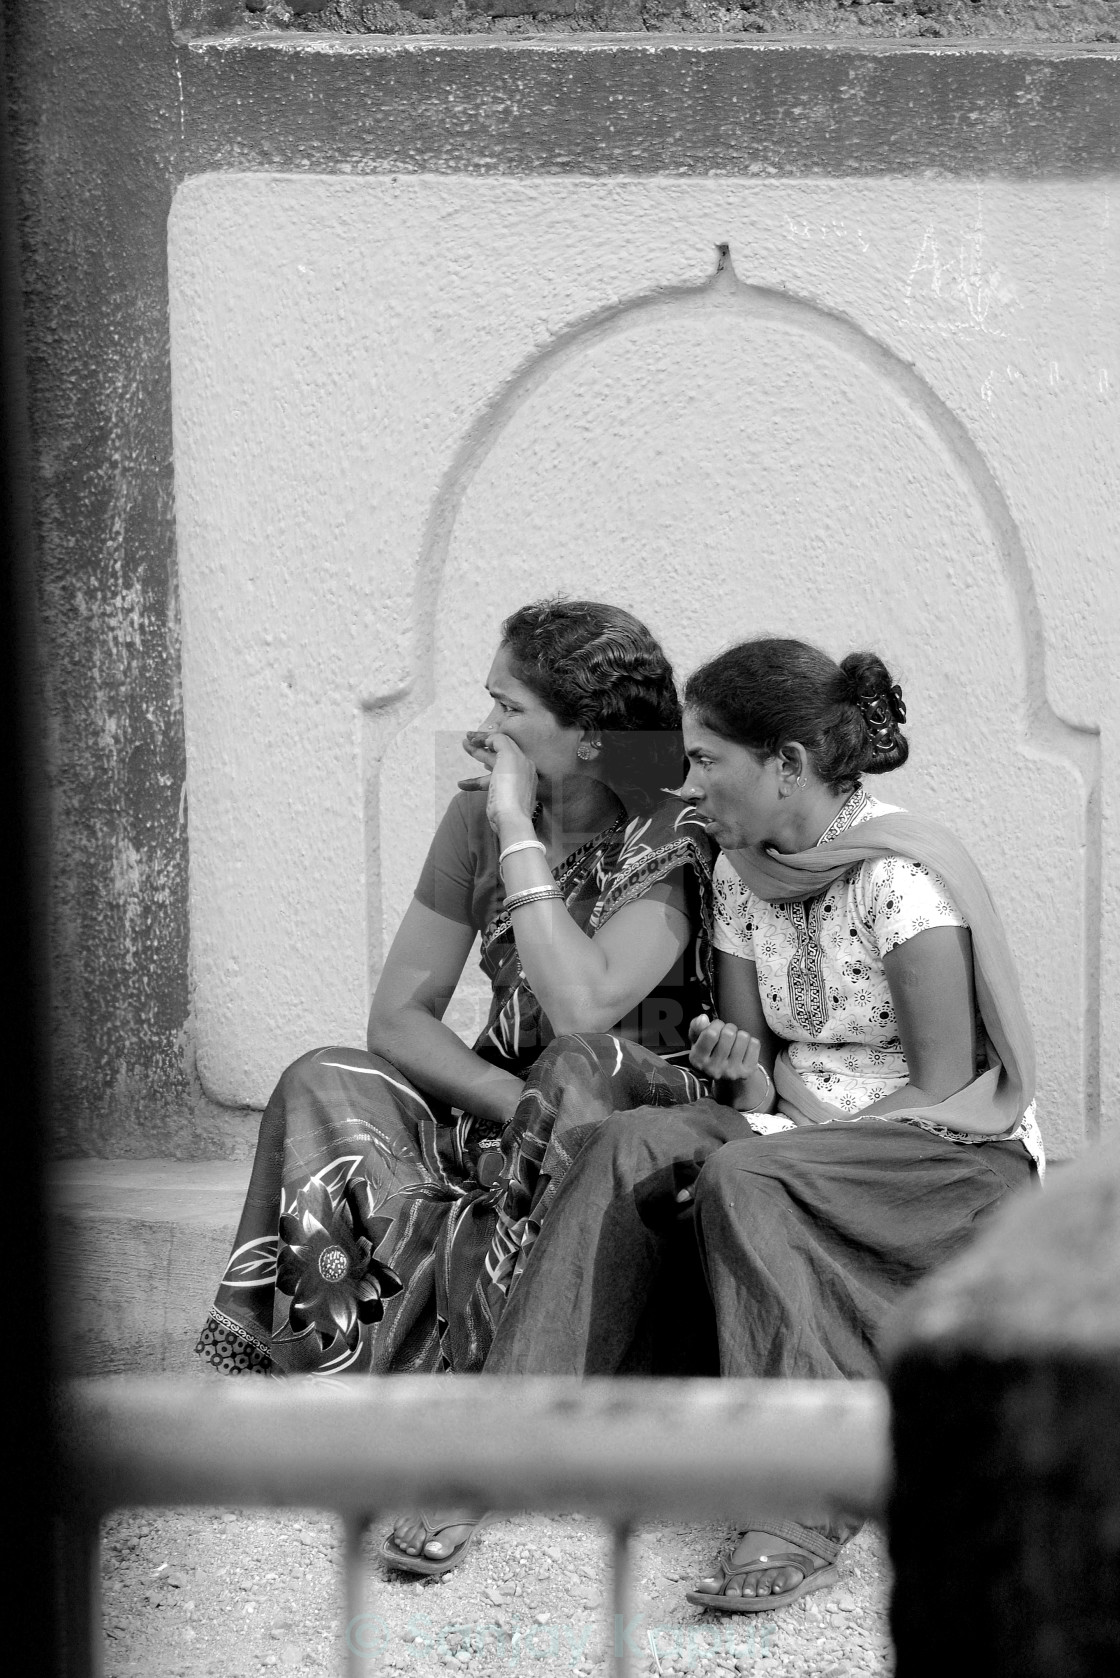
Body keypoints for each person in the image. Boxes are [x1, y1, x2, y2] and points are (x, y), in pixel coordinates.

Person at [388, 636, 1043, 1602]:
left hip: (938, 1162)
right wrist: (745, 1087)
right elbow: (756, 1069)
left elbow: (944, 1092)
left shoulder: (903, 881)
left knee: (742, 1175)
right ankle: (493, 1447)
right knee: (631, 1144)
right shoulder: (743, 868)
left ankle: (797, 1505)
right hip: (794, 1137)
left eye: (706, 760)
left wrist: (778, 1139)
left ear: (787, 766)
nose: (687, 786)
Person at [196, 599, 715, 1385]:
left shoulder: (669, 831)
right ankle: (333, 1381)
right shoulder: (473, 815)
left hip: (627, 1109)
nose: (486, 727)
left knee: (578, 1067)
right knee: (323, 1079)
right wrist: (511, 1106)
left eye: (509, 708)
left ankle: (501, 1392)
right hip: (510, 1105)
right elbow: (398, 1018)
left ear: (589, 737)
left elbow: (586, 1006)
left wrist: (515, 827)